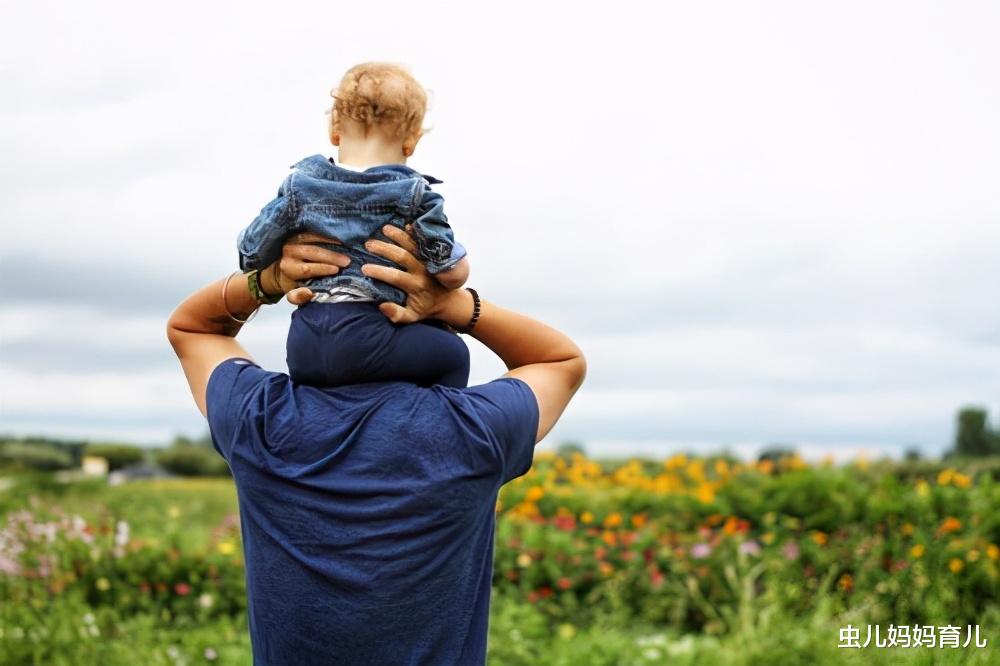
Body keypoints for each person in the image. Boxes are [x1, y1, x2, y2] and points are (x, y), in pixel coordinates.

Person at [166, 226, 586, 665]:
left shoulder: (262, 420)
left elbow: (192, 328)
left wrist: (267, 281)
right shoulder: (471, 430)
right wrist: (455, 304)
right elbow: (558, 360)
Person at [237, 62, 471, 389]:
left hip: (305, 343)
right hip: (373, 337)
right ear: (411, 141)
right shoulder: (416, 196)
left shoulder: (298, 188)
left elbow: (250, 254)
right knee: (454, 355)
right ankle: (439, 427)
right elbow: (451, 272)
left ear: (334, 129)